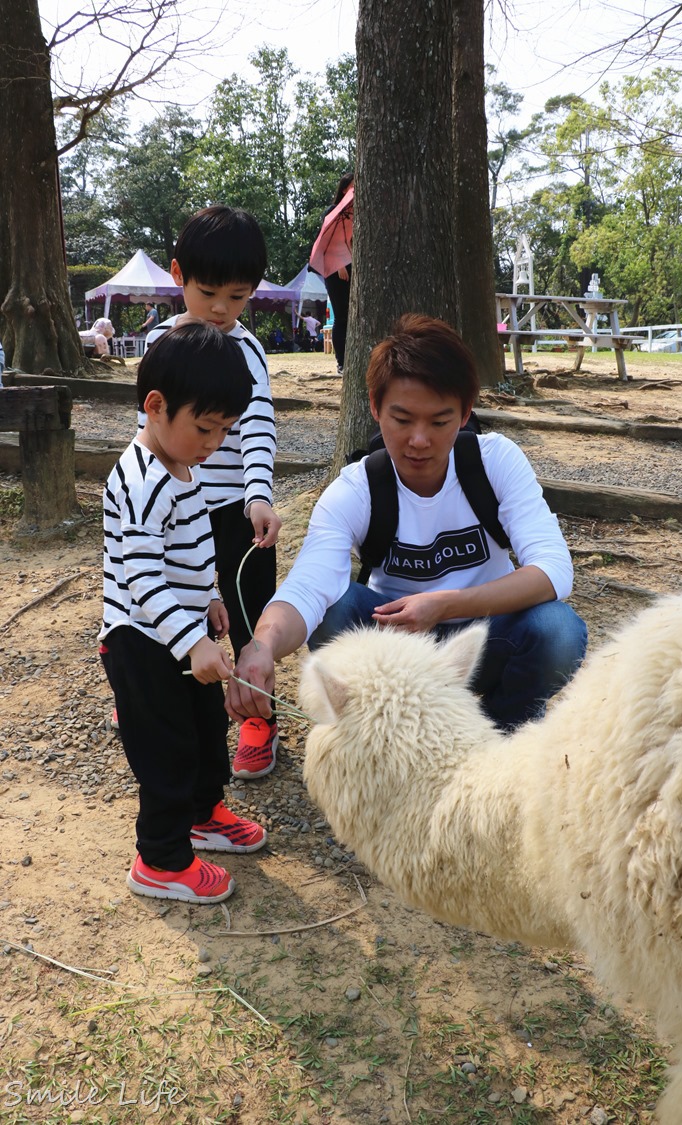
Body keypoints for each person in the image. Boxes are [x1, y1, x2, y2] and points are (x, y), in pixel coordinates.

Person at [227, 314, 588, 736]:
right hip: (393, 645)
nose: (420, 440)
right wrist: (263, 645)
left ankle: (503, 734)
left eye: (439, 422)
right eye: (402, 420)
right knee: (334, 610)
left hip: (483, 635)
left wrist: (444, 605)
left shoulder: (495, 462)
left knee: (559, 631)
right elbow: (309, 584)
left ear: (465, 412)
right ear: (376, 408)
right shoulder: (357, 488)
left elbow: (554, 570)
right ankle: (383, 732)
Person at [99, 322, 268, 905]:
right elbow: (142, 577)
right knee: (165, 750)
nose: (213, 444)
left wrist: (212, 600)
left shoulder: (181, 465)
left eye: (224, 431)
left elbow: (190, 552)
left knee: (203, 728)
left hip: (185, 630)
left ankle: (202, 815)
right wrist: (191, 642)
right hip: (142, 642)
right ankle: (160, 859)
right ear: (155, 405)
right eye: (205, 427)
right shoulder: (143, 479)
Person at [144, 205, 282, 781]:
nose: (222, 310)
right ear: (178, 275)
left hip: (233, 511)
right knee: (178, 607)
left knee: (247, 610)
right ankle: (173, 704)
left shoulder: (246, 350)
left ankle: (256, 714)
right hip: (177, 510)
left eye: (238, 296)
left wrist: (257, 494)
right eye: (208, 293)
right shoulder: (160, 345)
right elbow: (146, 430)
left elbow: (256, 427)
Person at [320, 172, 353, 374]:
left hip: (351, 268)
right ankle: (341, 362)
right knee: (341, 316)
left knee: (351, 316)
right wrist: (340, 264)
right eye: (353, 186)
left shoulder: (355, 214)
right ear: (344, 189)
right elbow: (327, 241)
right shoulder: (333, 211)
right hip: (335, 269)